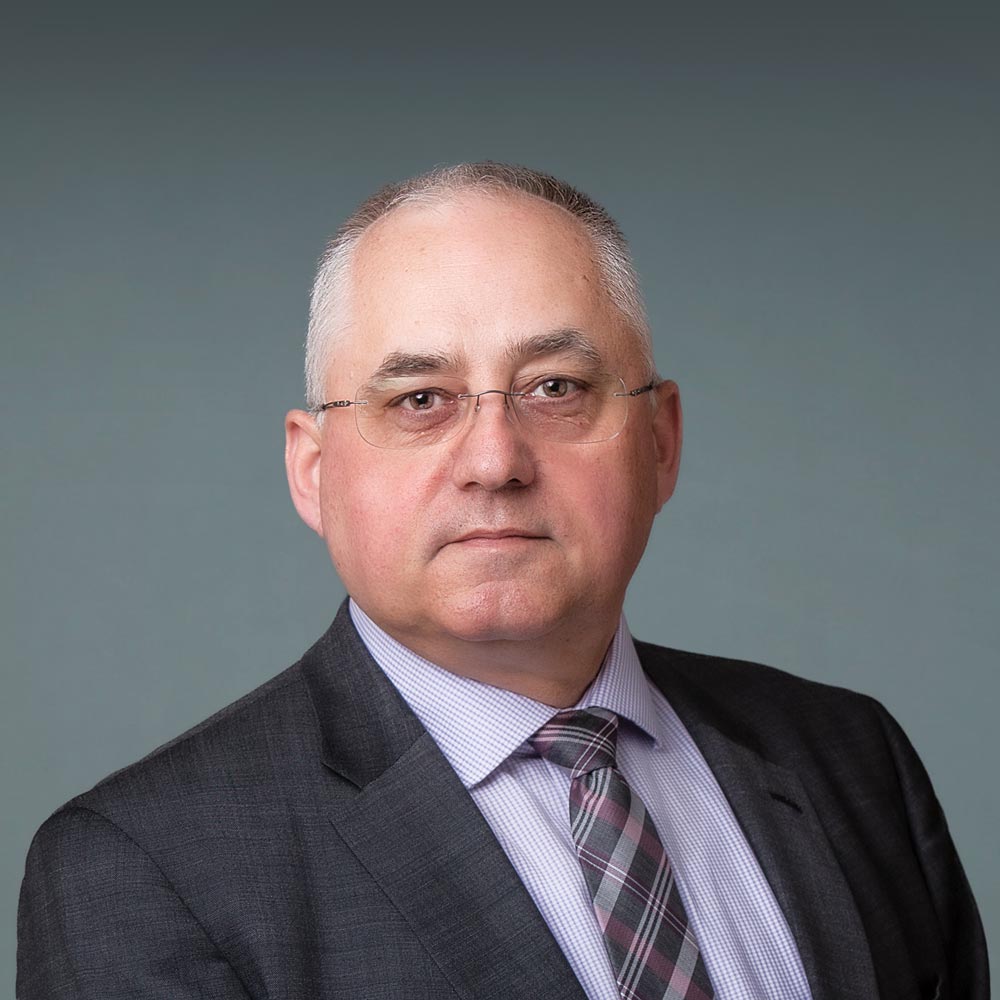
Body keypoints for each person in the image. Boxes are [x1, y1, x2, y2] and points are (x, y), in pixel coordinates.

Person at [17, 163, 988, 1000]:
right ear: (313, 471)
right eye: (419, 399)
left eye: (555, 388)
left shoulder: (849, 759)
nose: (493, 461)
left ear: (660, 442)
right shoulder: (141, 869)